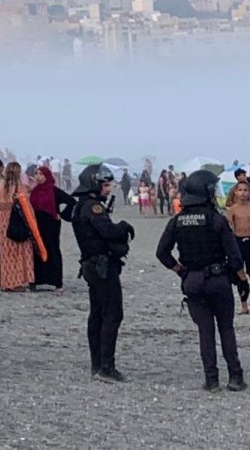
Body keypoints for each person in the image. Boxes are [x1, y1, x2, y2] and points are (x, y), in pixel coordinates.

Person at [156, 170, 247, 391]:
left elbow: (162, 253)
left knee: (205, 331)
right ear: (206, 192)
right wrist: (241, 279)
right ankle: (235, 376)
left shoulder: (177, 221)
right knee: (226, 328)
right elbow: (235, 258)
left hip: (193, 280)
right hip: (218, 280)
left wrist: (181, 271)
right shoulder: (217, 220)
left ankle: (211, 379)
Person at [71, 163, 135, 382]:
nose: (108, 189)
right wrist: (123, 228)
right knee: (112, 314)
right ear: (94, 183)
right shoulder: (93, 207)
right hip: (101, 266)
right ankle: (106, 367)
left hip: (92, 265)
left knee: (97, 314)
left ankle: (97, 364)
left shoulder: (82, 206)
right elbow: (107, 230)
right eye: (105, 185)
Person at [226, 181, 250, 315]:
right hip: (238, 242)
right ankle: (244, 305)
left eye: (245, 190)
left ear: (249, 192)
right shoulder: (232, 209)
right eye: (240, 190)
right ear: (236, 192)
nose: (243, 193)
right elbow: (230, 231)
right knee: (240, 275)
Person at [31, 166, 72, 293]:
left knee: (52, 249)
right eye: (36, 174)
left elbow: (71, 201)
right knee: (37, 249)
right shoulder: (35, 191)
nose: (38, 176)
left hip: (51, 224)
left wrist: (62, 214)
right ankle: (38, 280)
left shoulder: (54, 191)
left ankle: (57, 282)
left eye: (41, 174)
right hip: (37, 224)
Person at [0, 162, 34, 291]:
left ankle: (6, 282)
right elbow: (26, 205)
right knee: (19, 250)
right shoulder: (19, 186)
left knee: (6, 252)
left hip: (2, 219)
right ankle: (17, 282)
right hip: (16, 218)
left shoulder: (0, 186)